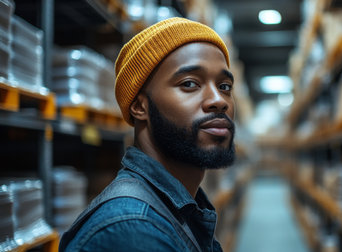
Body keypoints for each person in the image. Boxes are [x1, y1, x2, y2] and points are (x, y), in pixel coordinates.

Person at [59, 17, 235, 251]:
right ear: (140, 107)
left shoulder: (181, 209)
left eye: (224, 87)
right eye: (190, 84)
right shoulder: (134, 232)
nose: (218, 101)